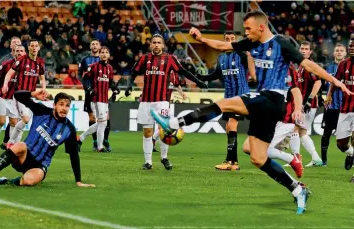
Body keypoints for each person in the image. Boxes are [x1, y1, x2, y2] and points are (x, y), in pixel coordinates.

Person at [151, 11, 352, 214]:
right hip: (265, 104)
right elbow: (223, 46)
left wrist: (335, 81)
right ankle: (297, 189)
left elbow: (308, 64)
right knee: (257, 157)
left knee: (224, 104)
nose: (245, 32)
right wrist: (201, 38)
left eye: (248, 28)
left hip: (273, 99)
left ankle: (174, 124)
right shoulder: (251, 43)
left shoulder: (281, 44)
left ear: (261, 27)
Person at [0, 90, 95, 188]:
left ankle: (8, 181)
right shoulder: (41, 111)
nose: (64, 108)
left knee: (28, 181)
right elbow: (17, 96)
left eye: (67, 105)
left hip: (39, 165)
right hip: (23, 156)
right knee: (20, 145)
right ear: (54, 105)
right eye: (61, 104)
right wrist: (33, 94)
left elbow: (74, 155)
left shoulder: (69, 129)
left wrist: (78, 181)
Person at [125, 34, 208, 170]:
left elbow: (183, 71)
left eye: (159, 42)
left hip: (162, 101)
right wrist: (129, 86)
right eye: (154, 42)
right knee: (147, 132)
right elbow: (133, 73)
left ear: (163, 45)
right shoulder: (144, 59)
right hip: (146, 101)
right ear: (150, 44)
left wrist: (198, 81)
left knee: (165, 129)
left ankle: (164, 158)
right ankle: (148, 162)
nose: (156, 45)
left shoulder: (169, 59)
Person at [200, 31, 256, 171]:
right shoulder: (222, 58)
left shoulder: (242, 55)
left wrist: (254, 77)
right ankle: (231, 160)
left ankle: (232, 162)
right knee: (228, 127)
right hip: (228, 97)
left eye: (232, 39)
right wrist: (201, 78)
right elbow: (216, 75)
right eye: (227, 39)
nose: (229, 41)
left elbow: (253, 64)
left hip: (241, 96)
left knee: (232, 124)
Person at [2, 39, 46, 146]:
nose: (34, 47)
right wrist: (5, 85)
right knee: (25, 119)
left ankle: (14, 145)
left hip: (31, 96)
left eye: (36, 46)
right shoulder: (22, 59)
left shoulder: (40, 62)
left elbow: (42, 78)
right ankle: (11, 142)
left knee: (23, 122)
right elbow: (9, 73)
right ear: (29, 48)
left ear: (39, 48)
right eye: (32, 46)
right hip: (20, 95)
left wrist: (43, 89)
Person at [0, 45, 26, 153]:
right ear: (14, 53)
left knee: (13, 123)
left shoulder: (26, 68)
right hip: (1, 97)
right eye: (17, 51)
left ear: (25, 53)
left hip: (13, 99)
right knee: (1, 121)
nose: (19, 53)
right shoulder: (6, 64)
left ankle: (10, 147)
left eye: (21, 51)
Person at [78, 47, 119, 152]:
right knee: (103, 123)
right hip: (95, 99)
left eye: (106, 52)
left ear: (109, 55)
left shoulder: (110, 68)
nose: (104, 54)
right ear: (99, 55)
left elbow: (110, 82)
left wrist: (115, 90)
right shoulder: (94, 66)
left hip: (105, 99)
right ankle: (100, 147)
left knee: (102, 123)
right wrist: (89, 89)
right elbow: (84, 78)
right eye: (102, 52)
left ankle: (80, 138)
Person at [294, 41, 323, 167]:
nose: (303, 50)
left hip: (308, 105)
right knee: (299, 131)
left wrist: (309, 100)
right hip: (302, 104)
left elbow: (318, 82)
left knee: (298, 130)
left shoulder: (310, 65)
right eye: (302, 48)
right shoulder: (300, 65)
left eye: (306, 49)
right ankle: (314, 158)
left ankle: (297, 159)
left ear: (310, 51)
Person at [327, 38, 354, 174]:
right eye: (350, 46)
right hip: (345, 108)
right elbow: (335, 81)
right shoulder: (344, 64)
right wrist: (329, 95)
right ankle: (351, 154)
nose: (352, 48)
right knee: (341, 144)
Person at [321, 44, 347, 165]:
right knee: (326, 134)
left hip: (345, 108)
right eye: (337, 50)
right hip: (331, 107)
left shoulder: (350, 67)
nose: (339, 52)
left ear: (345, 53)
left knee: (346, 137)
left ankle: (350, 156)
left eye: (341, 51)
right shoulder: (327, 68)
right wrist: (322, 98)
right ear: (334, 53)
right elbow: (320, 84)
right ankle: (324, 161)